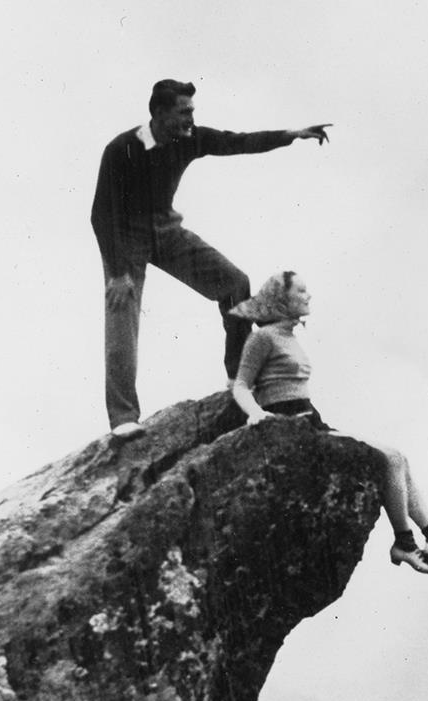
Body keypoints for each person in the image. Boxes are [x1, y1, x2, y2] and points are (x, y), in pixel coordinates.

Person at [91, 79, 331, 439]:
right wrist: (118, 272)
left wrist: (289, 134)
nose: (190, 119)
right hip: (125, 235)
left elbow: (237, 142)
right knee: (122, 310)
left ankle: (239, 380)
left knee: (235, 284)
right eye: (183, 112)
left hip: (166, 229)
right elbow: (100, 214)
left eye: (192, 112)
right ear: (159, 113)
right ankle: (123, 417)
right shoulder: (122, 149)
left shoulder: (192, 139)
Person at [228, 272, 428, 574]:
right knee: (389, 458)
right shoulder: (263, 337)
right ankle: (406, 544)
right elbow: (241, 385)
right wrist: (256, 413)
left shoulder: (289, 336)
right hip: (288, 425)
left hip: (309, 420)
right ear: (282, 298)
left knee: (398, 458)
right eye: (302, 290)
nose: (309, 296)